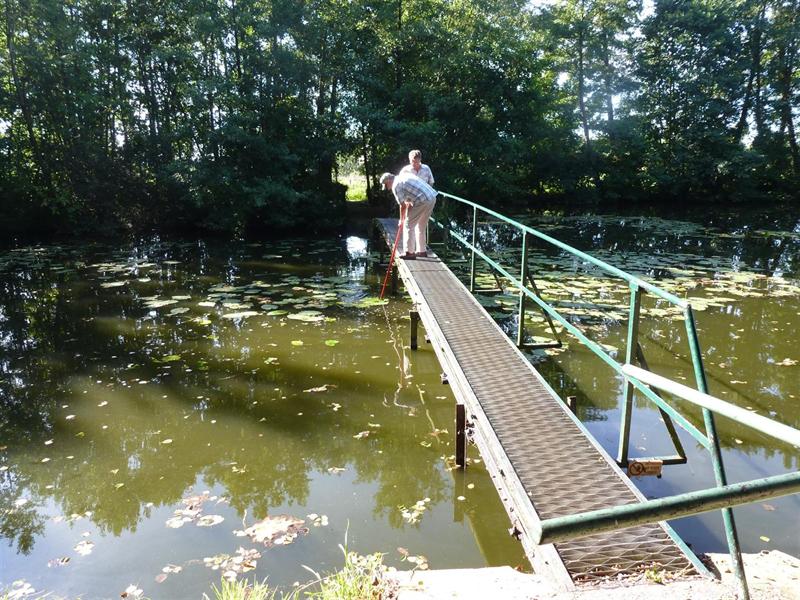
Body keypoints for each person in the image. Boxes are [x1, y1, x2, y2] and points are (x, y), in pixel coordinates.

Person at [379, 171, 437, 259]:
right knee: (420, 226)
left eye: (386, 185)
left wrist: (401, 220)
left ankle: (409, 253)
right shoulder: (404, 176)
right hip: (431, 197)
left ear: (388, 181)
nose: (387, 188)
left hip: (422, 200)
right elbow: (408, 203)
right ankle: (422, 251)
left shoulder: (396, 186)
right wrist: (405, 216)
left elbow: (402, 206)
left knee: (408, 225)